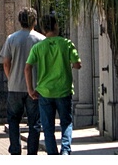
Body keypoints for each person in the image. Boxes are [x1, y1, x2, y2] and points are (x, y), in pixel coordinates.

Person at [25, 14, 82, 156]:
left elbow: (27, 67)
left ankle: (52, 154)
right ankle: (65, 150)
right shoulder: (67, 44)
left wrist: (30, 89)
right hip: (64, 90)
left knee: (48, 127)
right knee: (66, 123)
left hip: (44, 92)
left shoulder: (38, 47)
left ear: (43, 29)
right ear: (56, 26)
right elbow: (77, 64)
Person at [0, 7, 45, 155]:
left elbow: (6, 62)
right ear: (34, 21)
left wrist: (11, 77)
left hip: (15, 86)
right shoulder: (41, 40)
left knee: (13, 120)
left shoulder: (11, 38)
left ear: (20, 21)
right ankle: (32, 152)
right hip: (35, 87)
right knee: (34, 122)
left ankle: (15, 149)